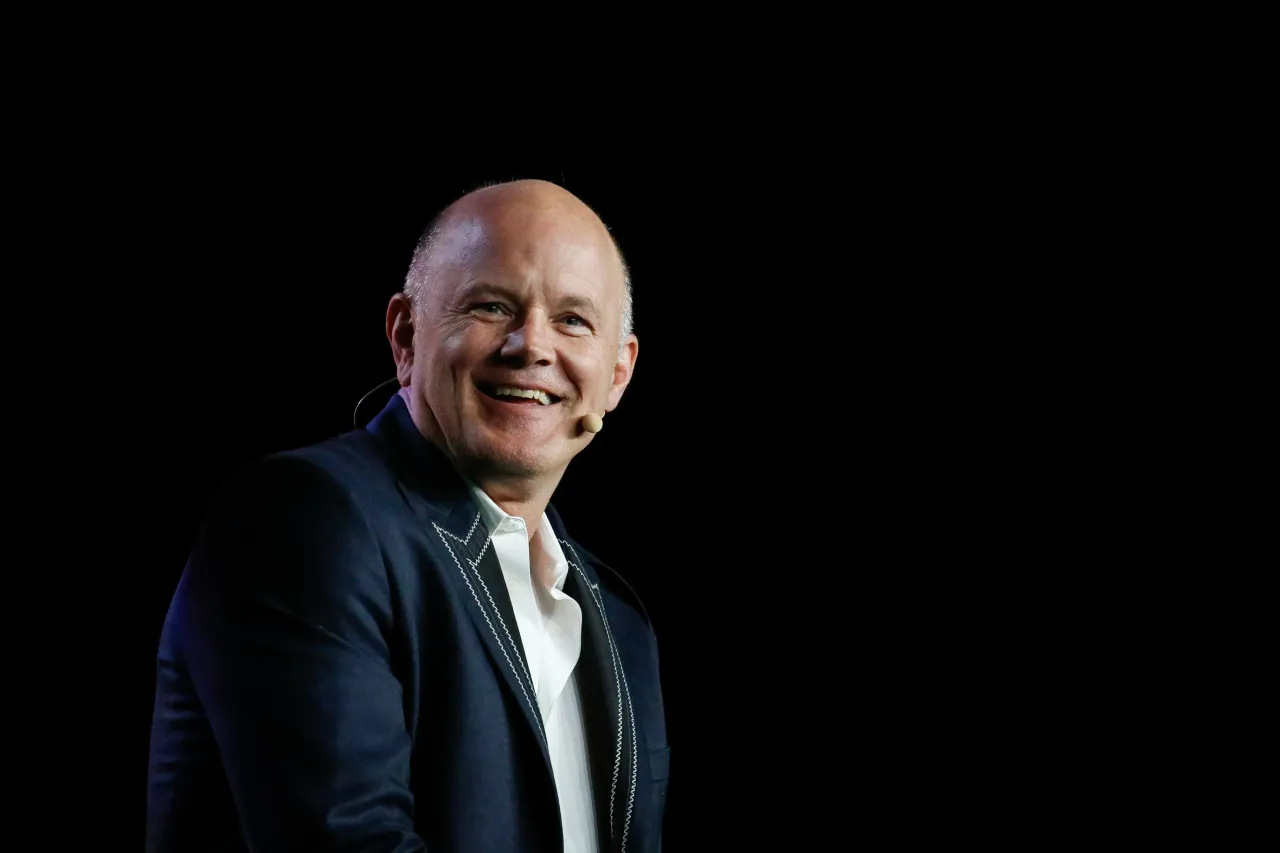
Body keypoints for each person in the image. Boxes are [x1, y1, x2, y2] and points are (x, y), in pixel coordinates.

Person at [145, 179, 669, 852]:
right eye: (490, 305)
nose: (532, 344)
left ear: (618, 373)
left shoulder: (621, 621)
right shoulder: (306, 518)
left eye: (573, 320)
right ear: (405, 335)